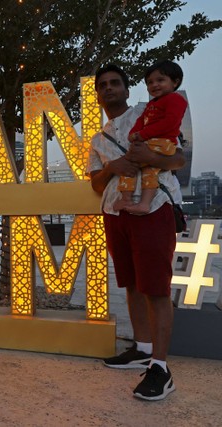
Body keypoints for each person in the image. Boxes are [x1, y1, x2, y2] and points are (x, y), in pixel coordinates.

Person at [88, 64, 185, 401]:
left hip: (154, 206)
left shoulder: (150, 113)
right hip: (116, 212)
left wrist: (148, 157)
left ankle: (160, 368)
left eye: (115, 83)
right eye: (103, 85)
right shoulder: (98, 138)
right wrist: (112, 167)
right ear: (98, 94)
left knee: (156, 289)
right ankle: (142, 349)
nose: (109, 88)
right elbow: (96, 183)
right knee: (130, 283)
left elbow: (180, 159)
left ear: (129, 90)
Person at [114, 60, 188, 214]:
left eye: (160, 80)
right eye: (150, 82)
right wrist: (133, 134)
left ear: (175, 82)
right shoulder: (152, 104)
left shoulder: (175, 99)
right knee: (148, 172)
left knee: (130, 164)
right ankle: (142, 203)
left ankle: (129, 199)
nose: (154, 85)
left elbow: (170, 123)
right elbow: (142, 121)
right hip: (154, 143)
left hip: (163, 143)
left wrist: (141, 135)